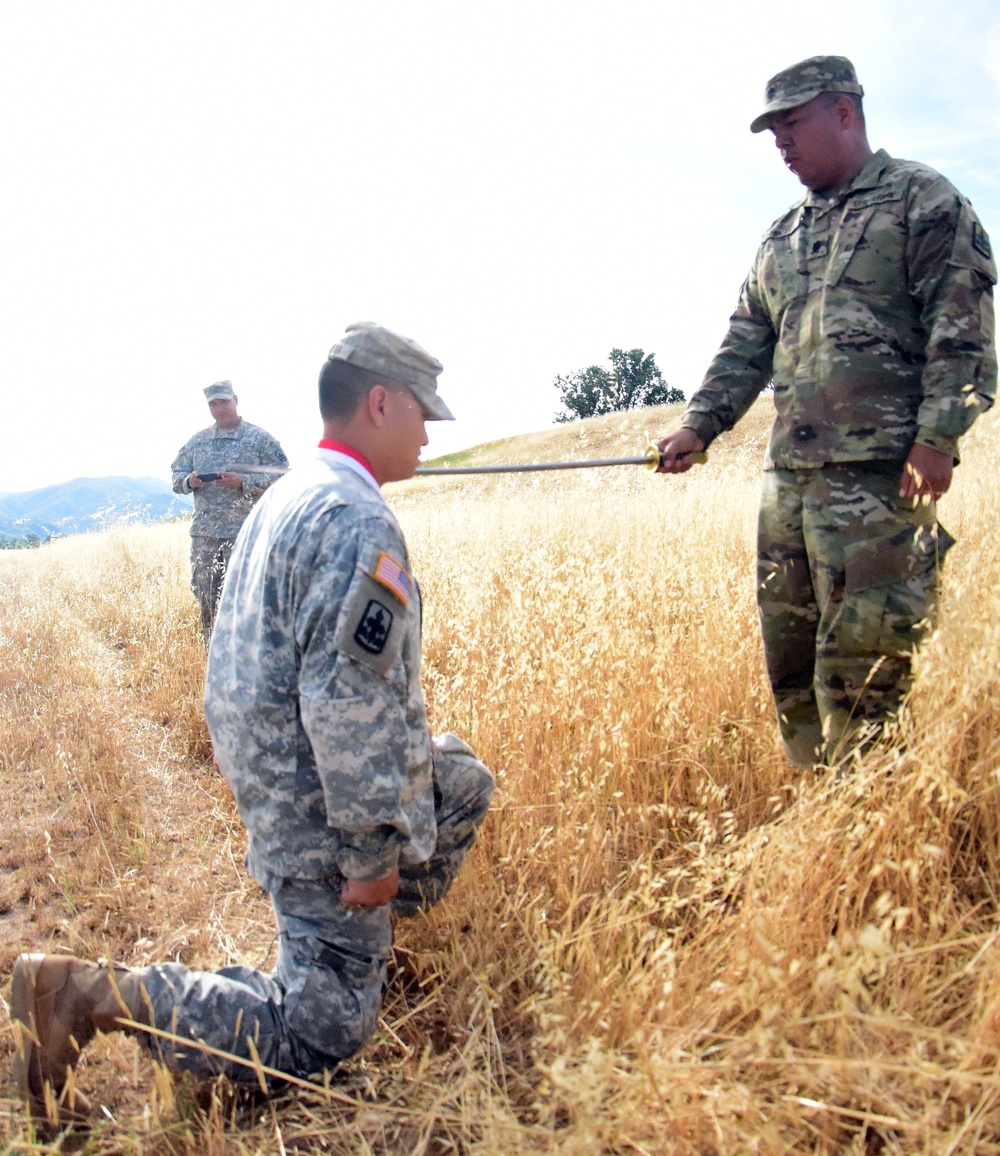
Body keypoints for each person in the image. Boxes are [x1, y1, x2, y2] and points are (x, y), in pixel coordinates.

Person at [11, 322, 495, 1125]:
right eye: (423, 414)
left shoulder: (296, 491)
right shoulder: (355, 521)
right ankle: (89, 994)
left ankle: (352, 948)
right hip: (310, 800)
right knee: (321, 1034)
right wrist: (371, 852)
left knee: (461, 776)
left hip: (270, 768)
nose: (429, 432)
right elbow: (351, 708)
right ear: (380, 403)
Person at [656, 56, 997, 769]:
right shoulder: (781, 236)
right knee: (794, 672)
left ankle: (872, 832)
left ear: (844, 112)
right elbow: (746, 341)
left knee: (867, 676)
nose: (780, 142)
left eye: (792, 124)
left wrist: (937, 440)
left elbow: (961, 332)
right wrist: (700, 423)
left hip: (880, 487)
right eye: (772, 130)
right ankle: (823, 822)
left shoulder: (923, 202)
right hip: (791, 490)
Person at [170, 381, 288, 638]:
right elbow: (176, 475)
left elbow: (284, 477)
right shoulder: (197, 442)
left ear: (235, 399)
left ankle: (247, 659)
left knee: (248, 600)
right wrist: (189, 481)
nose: (219, 408)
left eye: (224, 401)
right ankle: (211, 658)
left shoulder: (259, 439)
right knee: (207, 600)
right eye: (213, 404)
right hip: (206, 537)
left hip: (246, 534)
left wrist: (244, 482)